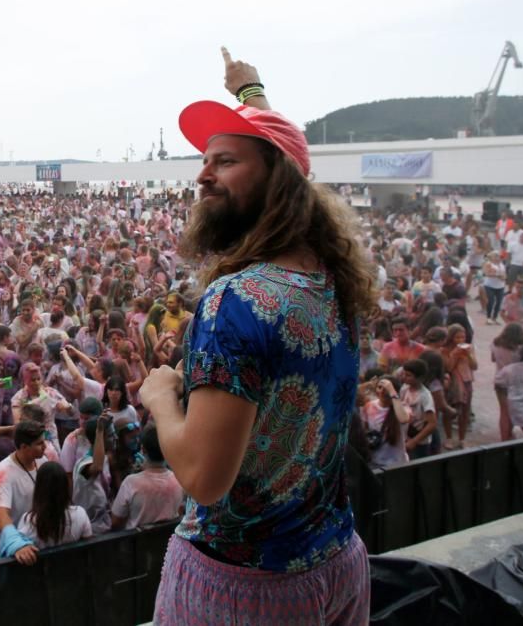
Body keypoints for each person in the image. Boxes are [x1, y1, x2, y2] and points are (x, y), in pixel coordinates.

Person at [141, 48, 373, 624]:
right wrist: (250, 93)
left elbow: (204, 479)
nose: (203, 174)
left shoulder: (234, 301)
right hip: (337, 562)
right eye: (205, 160)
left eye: (224, 162)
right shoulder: (331, 276)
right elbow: (285, 157)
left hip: (245, 589)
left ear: (277, 181)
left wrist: (161, 399)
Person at [0, 420, 47, 561]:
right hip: (15, 553)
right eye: (39, 443)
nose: (45, 446)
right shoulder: (3, 472)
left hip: (38, 544)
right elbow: (0, 513)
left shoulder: (42, 461)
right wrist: (16, 543)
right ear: (24, 447)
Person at [110, 423, 183, 529]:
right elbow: (180, 511)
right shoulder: (179, 479)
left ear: (143, 449)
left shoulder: (130, 483)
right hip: (170, 538)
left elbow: (115, 522)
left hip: (137, 539)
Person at [17, 462, 92, 549]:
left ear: (39, 489)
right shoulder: (80, 514)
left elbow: (21, 549)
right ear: (65, 487)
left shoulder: (28, 521)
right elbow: (88, 547)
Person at [494, 343, 523, 438]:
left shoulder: (510, 369)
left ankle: (506, 441)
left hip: (514, 406)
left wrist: (503, 398)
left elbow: (498, 382)